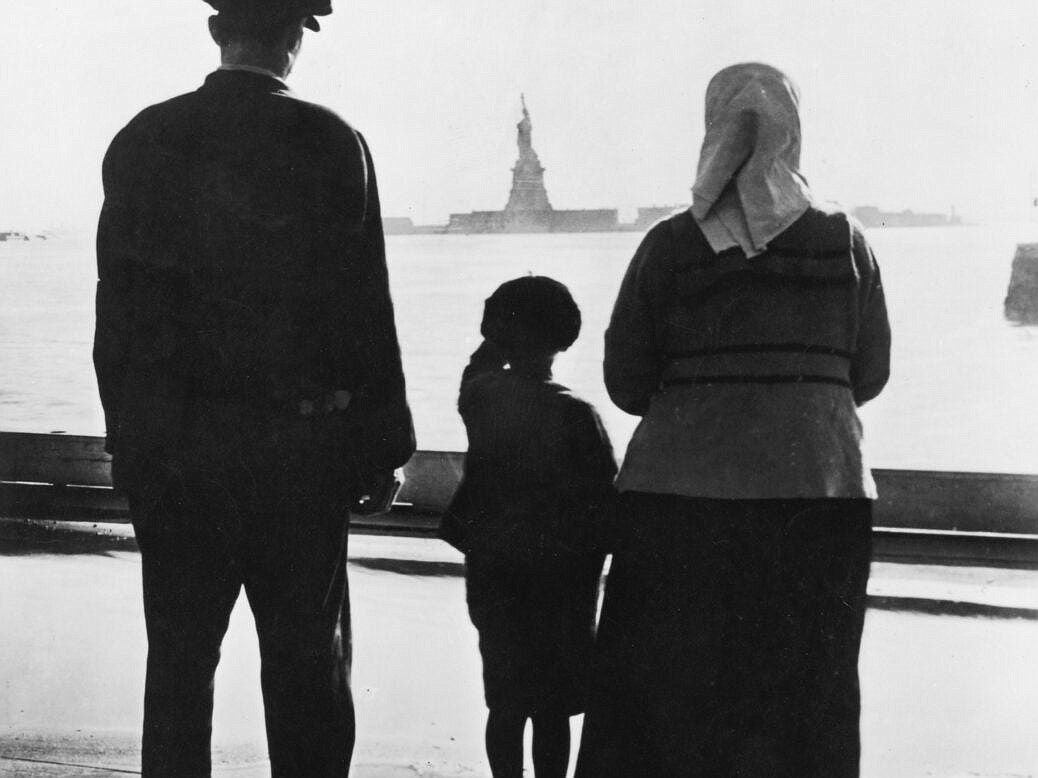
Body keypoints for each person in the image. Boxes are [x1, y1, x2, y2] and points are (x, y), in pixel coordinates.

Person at [92, 2, 415, 775]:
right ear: (297, 36)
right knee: (306, 665)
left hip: (175, 449)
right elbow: (363, 306)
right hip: (296, 451)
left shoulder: (144, 138)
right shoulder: (331, 139)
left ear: (216, 32)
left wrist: (131, 439)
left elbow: (120, 311)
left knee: (178, 663)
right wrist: (382, 445)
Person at [574, 63, 891, 778]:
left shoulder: (669, 246)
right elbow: (868, 375)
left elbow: (626, 383)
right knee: (805, 692)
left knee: (662, 698)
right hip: (820, 493)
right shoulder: (846, 243)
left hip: (678, 503)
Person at [439, 276, 616, 778]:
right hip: (563, 584)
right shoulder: (580, 415)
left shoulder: (484, 400)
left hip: (496, 574)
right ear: (566, 338)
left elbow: (477, 369)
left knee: (506, 702)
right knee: (554, 710)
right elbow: (605, 507)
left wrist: (495, 333)